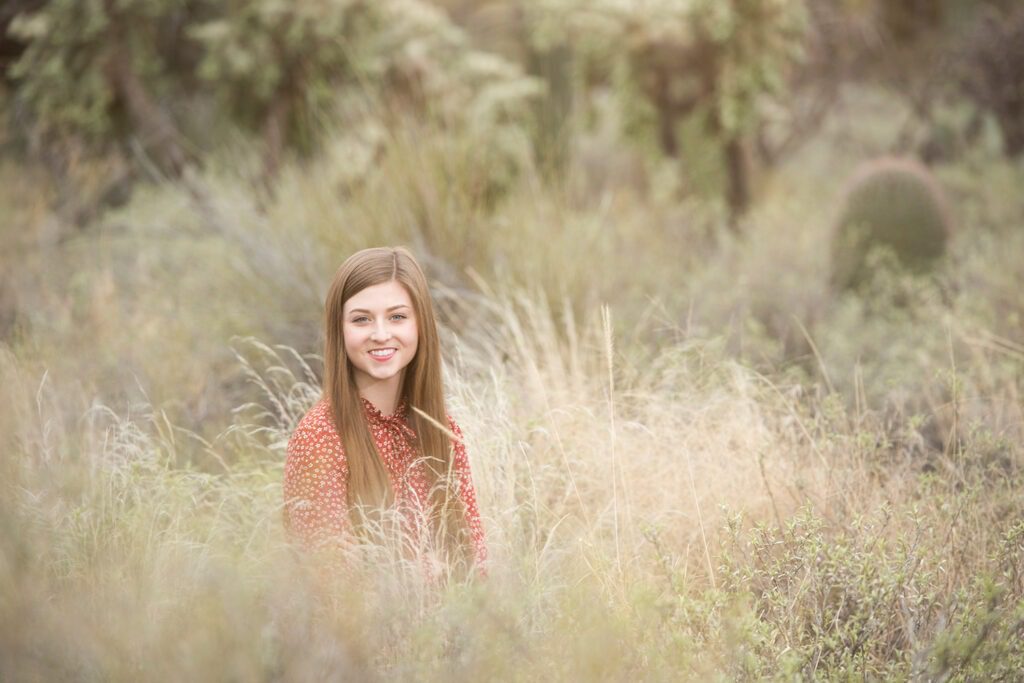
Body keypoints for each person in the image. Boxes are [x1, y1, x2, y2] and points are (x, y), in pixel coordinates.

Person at [283, 246, 487, 579]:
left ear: (420, 324)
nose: (380, 334)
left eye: (397, 317)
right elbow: (332, 581)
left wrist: (389, 564)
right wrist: (429, 570)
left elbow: (474, 568)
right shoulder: (320, 437)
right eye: (361, 319)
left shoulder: (443, 432)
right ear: (340, 329)